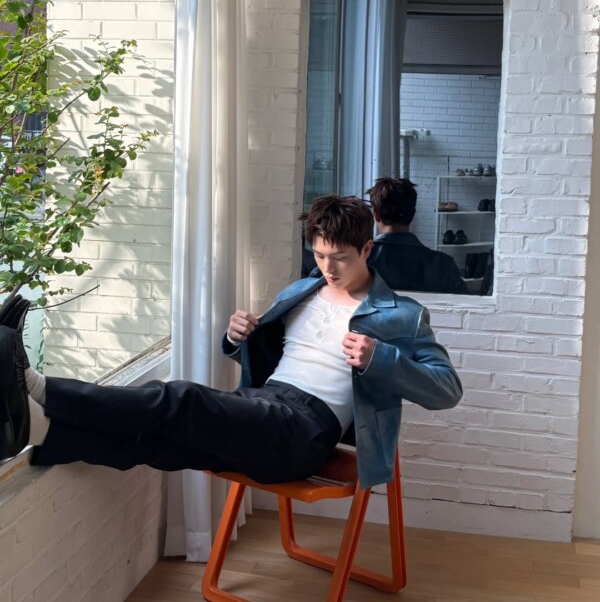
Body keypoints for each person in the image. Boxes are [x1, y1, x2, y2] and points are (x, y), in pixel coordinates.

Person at [0, 195, 462, 490]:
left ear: (366, 250)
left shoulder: (403, 315)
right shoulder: (301, 291)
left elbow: (447, 390)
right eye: (320, 255)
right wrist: (237, 336)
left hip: (306, 431)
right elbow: (264, 354)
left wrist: (381, 358)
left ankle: (41, 389)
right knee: (159, 444)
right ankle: (38, 432)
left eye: (339, 258)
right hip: (263, 404)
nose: (328, 268)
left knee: (181, 398)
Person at [367, 177, 469, 295]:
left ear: (376, 215)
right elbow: (466, 304)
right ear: (413, 214)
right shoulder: (443, 265)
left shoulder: (362, 260)